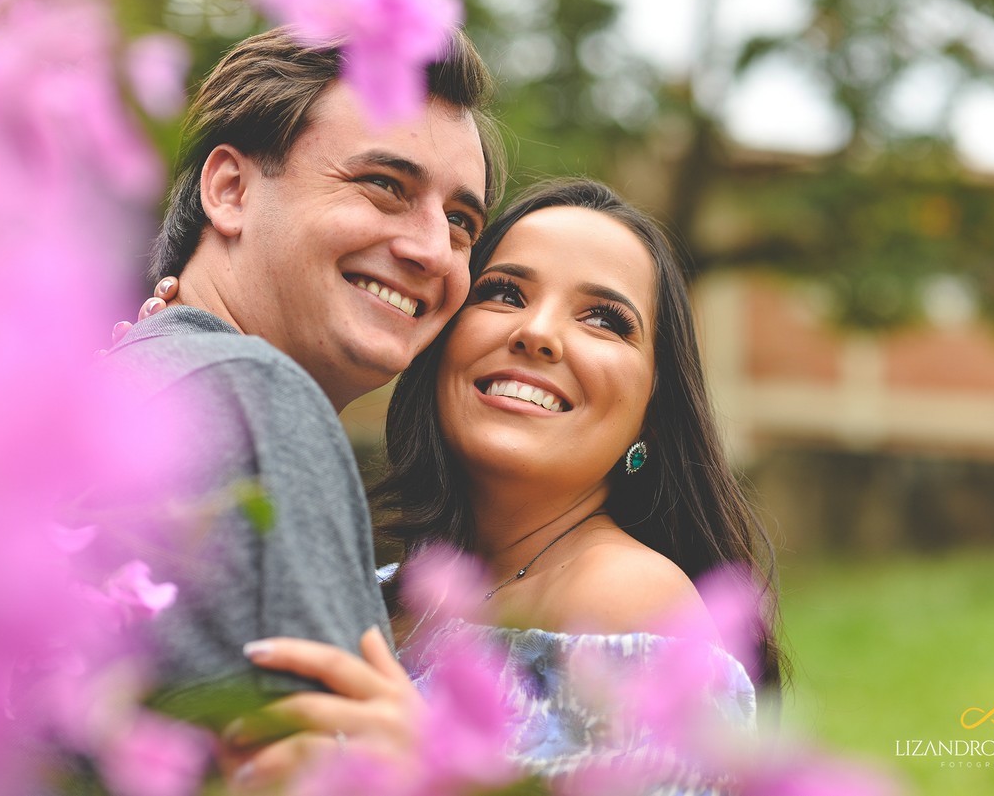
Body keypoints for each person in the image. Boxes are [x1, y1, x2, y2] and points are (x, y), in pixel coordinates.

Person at [139, 180, 785, 790]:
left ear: (652, 405)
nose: (536, 333)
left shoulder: (630, 597)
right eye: (504, 293)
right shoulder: (381, 588)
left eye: (604, 320)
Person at [98, 26, 502, 727]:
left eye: (462, 221)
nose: (435, 250)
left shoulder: (124, 389)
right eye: (384, 185)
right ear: (230, 189)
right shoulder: (257, 397)